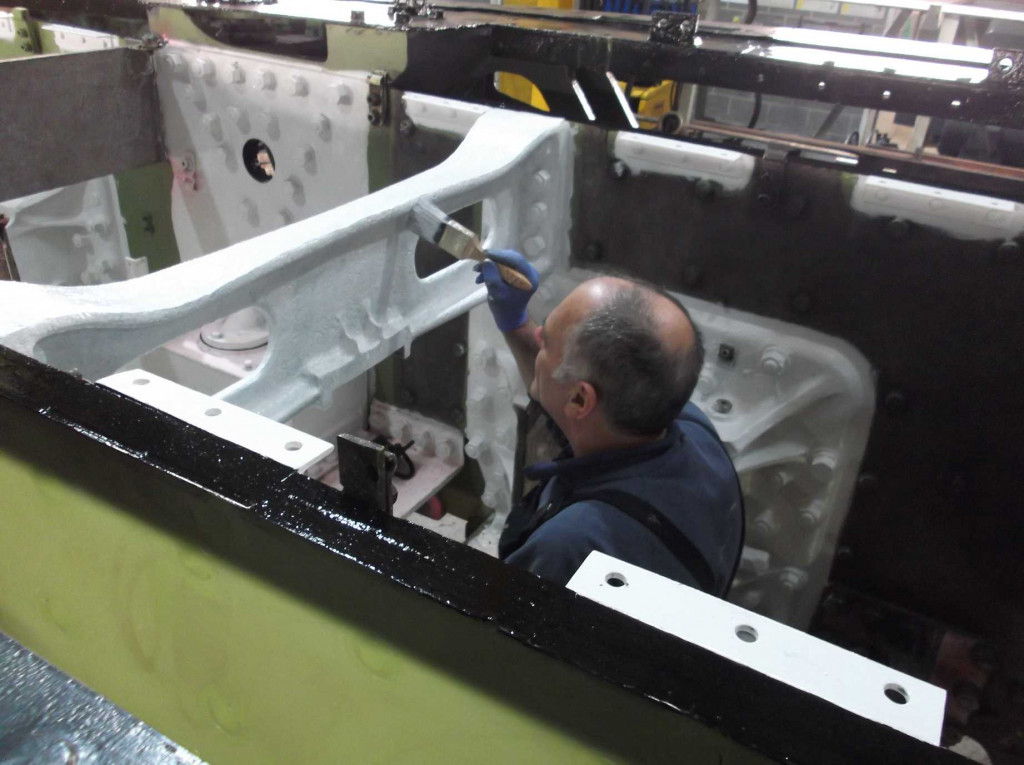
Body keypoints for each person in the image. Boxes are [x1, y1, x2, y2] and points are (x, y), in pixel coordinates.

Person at [474, 249, 744, 596]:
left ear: (580, 400)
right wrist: (514, 322)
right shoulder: (691, 427)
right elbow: (562, 393)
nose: (537, 333)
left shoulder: (570, 547)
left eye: (547, 340)